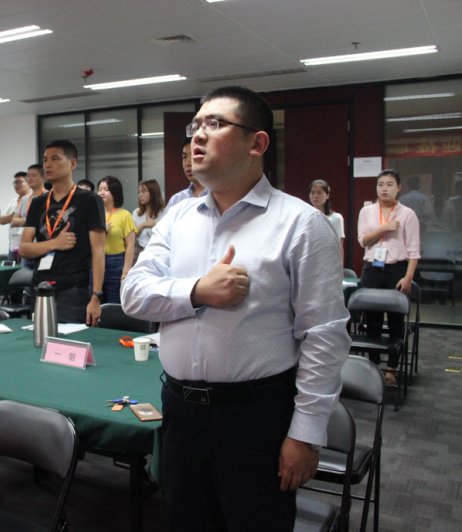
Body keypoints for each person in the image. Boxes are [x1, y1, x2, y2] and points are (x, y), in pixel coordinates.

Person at [121, 86, 350, 531]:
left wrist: (306, 434)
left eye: (215, 124)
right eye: (195, 126)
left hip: (255, 419)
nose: (197, 136)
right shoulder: (178, 218)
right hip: (180, 411)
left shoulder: (300, 223)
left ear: (257, 143)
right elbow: (133, 293)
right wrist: (197, 291)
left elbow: (324, 335)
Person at [20, 140, 105, 325]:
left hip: (73, 290)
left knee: (69, 341)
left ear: (72, 164)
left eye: (55, 159)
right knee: (39, 339)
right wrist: (55, 243)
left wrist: (96, 296)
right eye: (45, 160)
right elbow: (24, 248)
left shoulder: (90, 200)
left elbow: (98, 251)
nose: (47, 165)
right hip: (41, 287)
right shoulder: (38, 202)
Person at [357, 169, 421, 387]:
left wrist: (408, 277)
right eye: (381, 184)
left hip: (396, 270)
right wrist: (384, 228)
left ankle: (392, 370)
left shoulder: (407, 214)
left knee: (395, 322)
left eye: (390, 184)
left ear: (399, 187)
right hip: (372, 270)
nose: (384, 189)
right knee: (372, 321)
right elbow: (363, 241)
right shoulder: (367, 212)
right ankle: (374, 366)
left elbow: (414, 251)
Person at [97, 176, 136, 303]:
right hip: (96, 261)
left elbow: (130, 246)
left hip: (116, 262)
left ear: (115, 192)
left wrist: (125, 273)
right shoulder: (94, 214)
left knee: (114, 301)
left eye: (106, 189)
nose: (102, 192)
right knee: (96, 299)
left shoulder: (125, 215)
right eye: (100, 189)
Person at [11, 164, 46, 269]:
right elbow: (13, 222)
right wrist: (31, 220)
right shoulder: (25, 199)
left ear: (43, 177)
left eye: (34, 175)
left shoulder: (49, 197)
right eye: (28, 176)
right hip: (26, 248)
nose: (30, 178)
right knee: (24, 277)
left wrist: (23, 221)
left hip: (42, 248)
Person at [166, 136, 208, 210]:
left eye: (193, 156)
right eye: (185, 157)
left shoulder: (220, 197)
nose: (188, 163)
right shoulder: (176, 200)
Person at [309, 179, 345, 263]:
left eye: (319, 193)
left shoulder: (336, 218)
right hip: (310, 260)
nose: (315, 196)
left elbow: (339, 246)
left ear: (327, 195)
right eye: (312, 193)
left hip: (329, 260)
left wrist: (340, 267)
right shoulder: (305, 217)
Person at [132, 179, 166, 265]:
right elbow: (130, 235)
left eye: (143, 192)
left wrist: (154, 225)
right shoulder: (137, 213)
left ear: (153, 192)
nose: (140, 195)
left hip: (158, 251)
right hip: (140, 250)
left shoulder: (163, 212)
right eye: (139, 192)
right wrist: (144, 225)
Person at [0, 172, 30, 260]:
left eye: (19, 182)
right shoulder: (13, 202)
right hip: (12, 247)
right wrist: (15, 214)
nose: (16, 185)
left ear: (28, 182)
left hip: (27, 247)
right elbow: (1, 220)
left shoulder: (33, 200)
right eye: (15, 183)